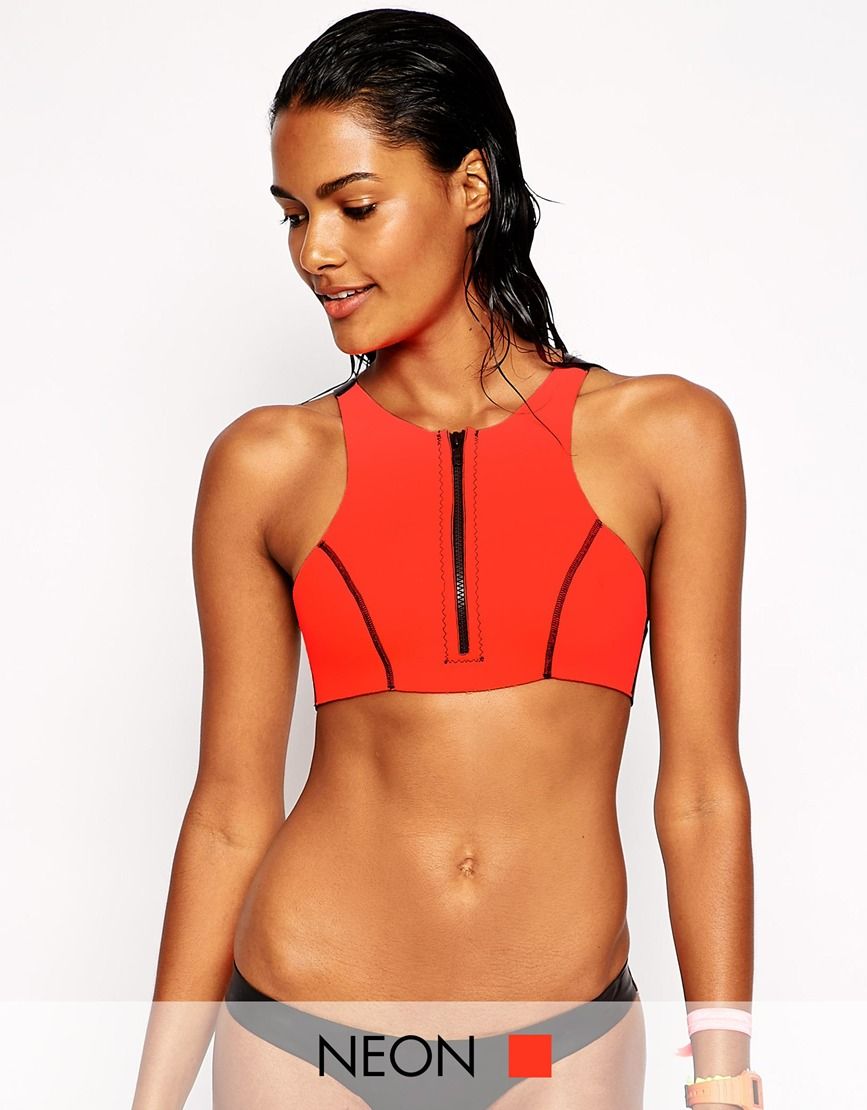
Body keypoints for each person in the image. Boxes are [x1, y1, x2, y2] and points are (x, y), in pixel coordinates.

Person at [133, 10, 759, 1109]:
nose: (315, 252)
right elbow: (230, 812)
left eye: (354, 206)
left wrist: (725, 1073)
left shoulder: (667, 440)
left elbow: (702, 791)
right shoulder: (267, 466)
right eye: (294, 215)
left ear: (471, 186)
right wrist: (152, 1102)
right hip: (304, 1037)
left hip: (556, 1047)